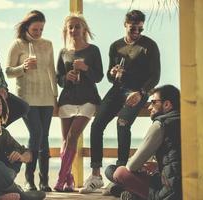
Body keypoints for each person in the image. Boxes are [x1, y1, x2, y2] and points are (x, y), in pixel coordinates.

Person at [80, 9, 161, 194]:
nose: (137, 33)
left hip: (138, 91)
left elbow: (155, 77)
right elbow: (110, 76)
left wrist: (141, 93)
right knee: (97, 124)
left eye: (140, 29)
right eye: (133, 29)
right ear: (125, 25)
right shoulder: (115, 46)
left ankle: (119, 175)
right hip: (117, 90)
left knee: (122, 123)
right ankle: (96, 175)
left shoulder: (150, 46)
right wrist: (113, 73)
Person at [6, 10, 58, 192]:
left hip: (47, 98)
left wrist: (55, 97)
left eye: (41, 29)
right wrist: (23, 67)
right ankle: (30, 180)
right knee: (36, 134)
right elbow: (8, 71)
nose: (38, 32)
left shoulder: (48, 44)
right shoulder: (17, 44)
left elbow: (52, 71)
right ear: (27, 26)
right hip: (26, 98)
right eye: (35, 29)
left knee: (44, 137)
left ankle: (44, 181)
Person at [104, 84, 182, 200]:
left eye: (153, 102)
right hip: (187, 188)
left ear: (167, 104)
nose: (150, 107)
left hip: (169, 193)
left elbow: (132, 166)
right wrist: (155, 167)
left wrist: (141, 167)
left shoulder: (161, 124)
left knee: (117, 171)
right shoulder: (187, 120)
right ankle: (128, 192)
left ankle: (129, 193)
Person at [54, 13, 104, 192]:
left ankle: (60, 179)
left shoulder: (93, 50)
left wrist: (86, 68)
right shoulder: (63, 52)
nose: (74, 30)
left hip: (88, 99)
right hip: (67, 99)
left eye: (77, 26)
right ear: (67, 30)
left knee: (72, 136)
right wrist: (66, 77)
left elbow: (99, 76)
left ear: (84, 29)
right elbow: (58, 79)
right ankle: (69, 181)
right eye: (71, 27)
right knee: (65, 139)